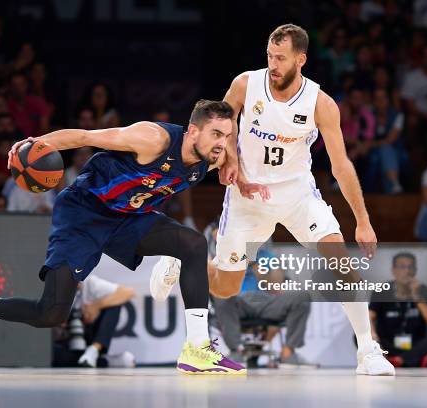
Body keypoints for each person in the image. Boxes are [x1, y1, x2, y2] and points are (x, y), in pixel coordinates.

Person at [0, 99, 247, 375]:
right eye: (216, 134)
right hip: (84, 214)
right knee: (50, 313)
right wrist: (33, 143)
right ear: (192, 131)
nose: (222, 143)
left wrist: (233, 158)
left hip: (127, 218)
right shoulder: (152, 138)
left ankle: (196, 349)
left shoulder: (209, 159)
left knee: (193, 243)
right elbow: (83, 136)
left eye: (226, 136)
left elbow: (230, 147)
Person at [151, 24, 394, 375]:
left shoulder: (320, 103)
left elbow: (341, 166)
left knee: (342, 264)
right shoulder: (246, 84)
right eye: (269, 55)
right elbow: (221, 127)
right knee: (225, 287)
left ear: (301, 59)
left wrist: (363, 220)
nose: (273, 63)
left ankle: (368, 350)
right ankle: (181, 262)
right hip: (247, 198)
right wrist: (232, 164)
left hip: (297, 196)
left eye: (281, 58)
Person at [369, 253, 427, 367]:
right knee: (360, 336)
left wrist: (417, 297)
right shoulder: (382, 290)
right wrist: (373, 336)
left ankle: (400, 361)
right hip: (388, 346)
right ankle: (406, 360)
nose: (407, 271)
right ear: (394, 270)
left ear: (415, 270)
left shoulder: (423, 290)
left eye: (411, 267)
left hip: (415, 346)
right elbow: (369, 317)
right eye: (402, 267)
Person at [76, 275, 135, 368]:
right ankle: (106, 361)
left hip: (88, 334)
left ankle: (94, 350)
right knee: (56, 356)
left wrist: (96, 307)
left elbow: (128, 292)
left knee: (115, 303)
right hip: (66, 340)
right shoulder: (55, 288)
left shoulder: (89, 283)